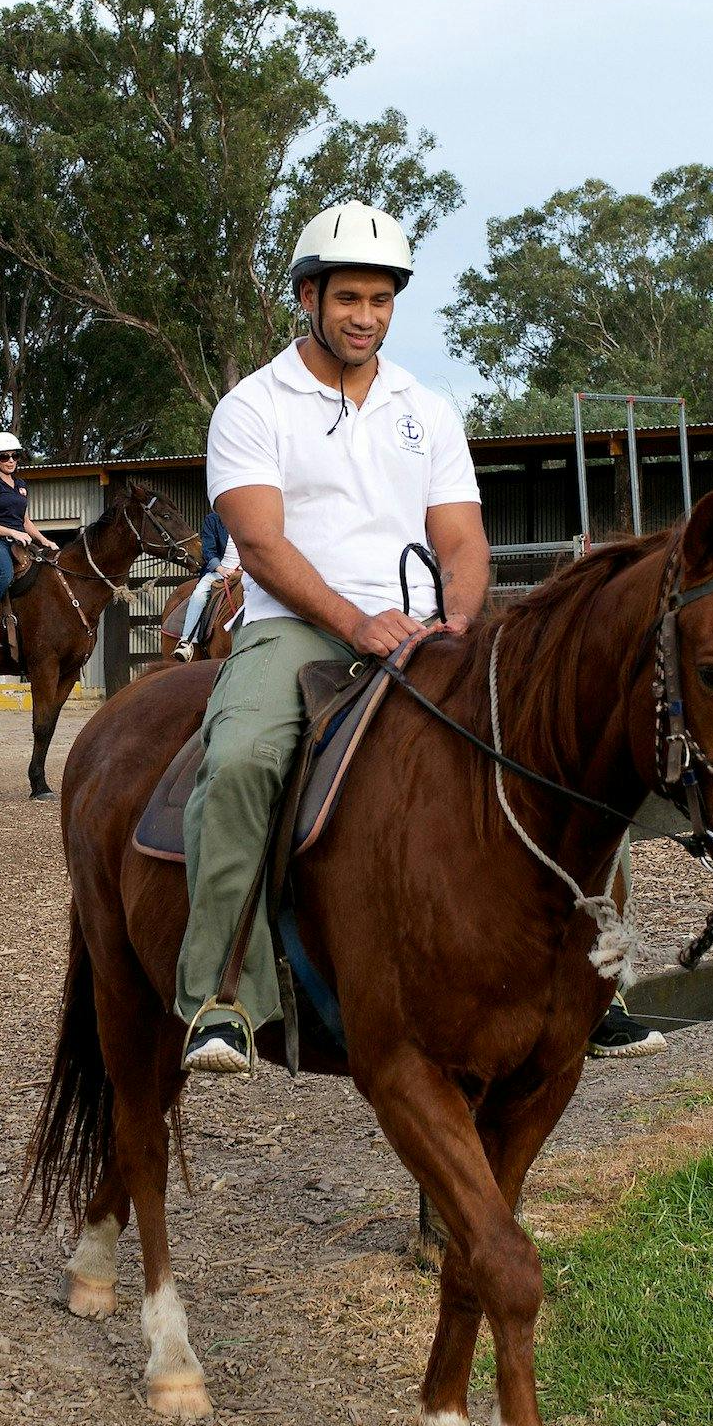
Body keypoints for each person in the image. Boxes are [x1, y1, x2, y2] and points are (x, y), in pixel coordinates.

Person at [175, 200, 490, 1072]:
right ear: (307, 297)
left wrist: (456, 620)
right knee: (240, 761)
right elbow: (263, 544)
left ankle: (597, 982)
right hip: (301, 630)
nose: (366, 317)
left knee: (561, 724)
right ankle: (221, 991)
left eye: (381, 300)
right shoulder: (252, 405)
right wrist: (357, 621)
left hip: (425, 628)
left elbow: (462, 539)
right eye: (348, 297)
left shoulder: (426, 407)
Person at [0, 431, 58, 633]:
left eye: (15, 456)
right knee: (4, 574)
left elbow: (25, 520)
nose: (11, 461)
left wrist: (45, 541)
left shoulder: (21, 485)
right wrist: (12, 532)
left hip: (19, 543)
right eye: (4, 456)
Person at [172, 507, 242, 660]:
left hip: (247, 573)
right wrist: (221, 569)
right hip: (220, 571)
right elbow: (208, 550)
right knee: (198, 595)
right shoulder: (213, 520)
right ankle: (186, 642)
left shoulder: (250, 519)